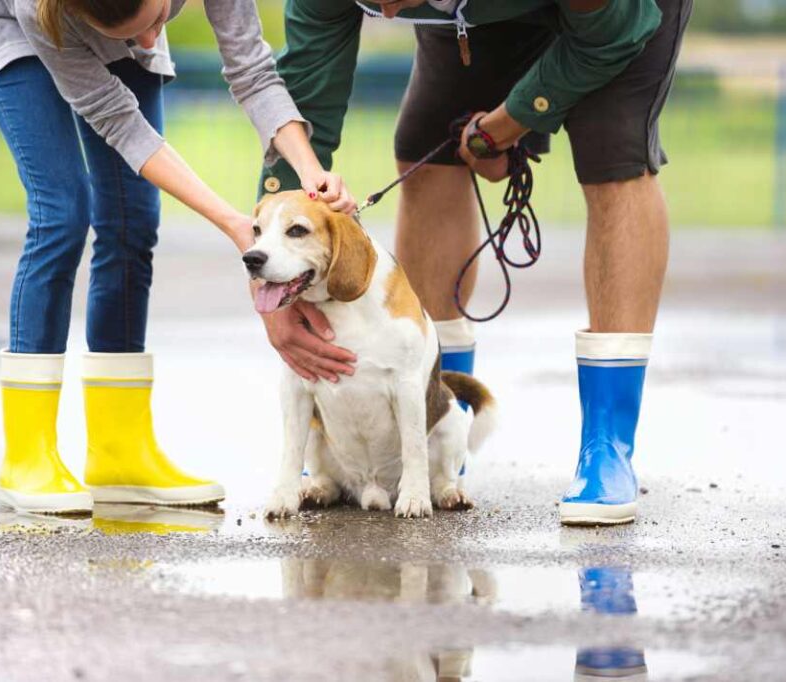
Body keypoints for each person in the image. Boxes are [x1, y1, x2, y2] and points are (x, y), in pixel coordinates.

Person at [258, 0, 693, 525]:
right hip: (471, 19)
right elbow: (304, 103)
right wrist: (276, 290)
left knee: (612, 151)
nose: (389, 12)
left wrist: (513, 122)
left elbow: (609, 34)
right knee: (427, 144)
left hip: (616, 16)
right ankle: (440, 435)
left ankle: (608, 447)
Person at [0, 0, 357, 514]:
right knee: (62, 213)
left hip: (91, 18)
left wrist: (309, 169)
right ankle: (28, 457)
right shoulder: (42, 10)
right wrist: (237, 226)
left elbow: (253, 71)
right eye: (143, 29)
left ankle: (119, 452)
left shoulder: (143, 31)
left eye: (159, 19)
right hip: (20, 29)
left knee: (131, 222)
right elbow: (122, 125)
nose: (151, 43)